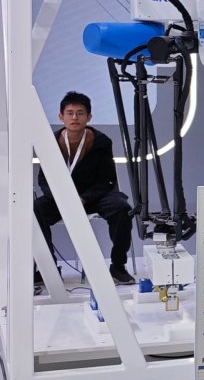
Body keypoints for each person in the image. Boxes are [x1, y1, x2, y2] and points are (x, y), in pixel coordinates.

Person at [34, 91, 135, 291]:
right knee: (34, 210)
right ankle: (48, 269)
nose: (75, 118)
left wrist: (84, 198)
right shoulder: (49, 141)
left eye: (80, 113)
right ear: (61, 116)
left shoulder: (101, 141)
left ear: (89, 117)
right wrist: (61, 198)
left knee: (122, 209)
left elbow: (106, 179)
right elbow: (44, 180)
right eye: (70, 113)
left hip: (94, 197)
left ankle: (118, 266)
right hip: (61, 198)